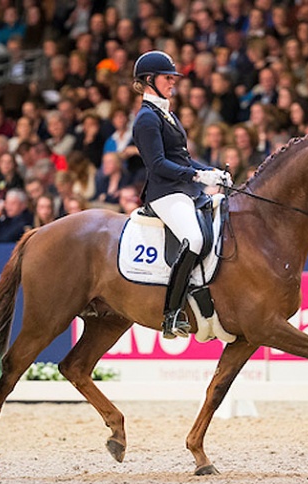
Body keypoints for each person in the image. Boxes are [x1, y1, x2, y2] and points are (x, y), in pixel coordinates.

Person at [131, 50, 230, 338]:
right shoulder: (146, 119)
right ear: (149, 80)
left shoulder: (168, 114)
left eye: (173, 78)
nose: (173, 83)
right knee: (195, 239)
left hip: (184, 188)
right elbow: (158, 164)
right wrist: (198, 176)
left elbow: (182, 158)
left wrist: (210, 171)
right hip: (165, 193)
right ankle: (171, 314)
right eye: (167, 78)